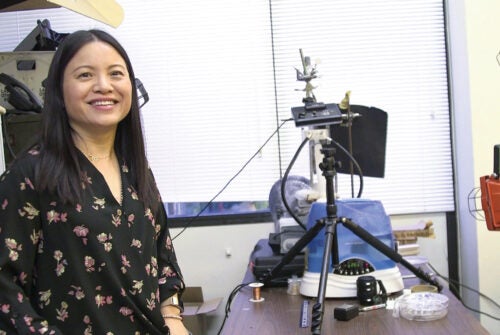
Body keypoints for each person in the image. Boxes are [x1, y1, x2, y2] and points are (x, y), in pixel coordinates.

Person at [0, 29, 189, 335]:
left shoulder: (136, 169)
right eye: (85, 75)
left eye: (116, 73)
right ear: (59, 91)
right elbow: (5, 289)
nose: (104, 86)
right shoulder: (29, 176)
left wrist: (172, 316)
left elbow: (162, 254)